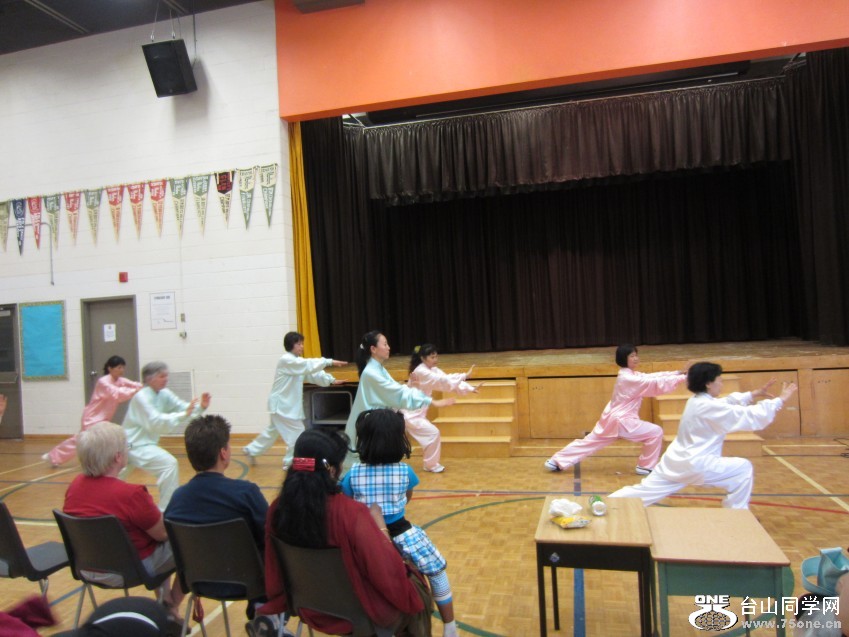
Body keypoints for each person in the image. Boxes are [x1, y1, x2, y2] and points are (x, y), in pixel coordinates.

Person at [259, 428, 433, 636]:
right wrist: (382, 530)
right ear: (332, 470)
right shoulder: (351, 514)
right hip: (359, 615)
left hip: (308, 607)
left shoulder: (277, 509)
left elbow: (274, 568)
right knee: (416, 592)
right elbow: (386, 574)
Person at [609, 362, 798, 509]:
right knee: (743, 469)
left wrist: (752, 394)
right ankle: (737, 514)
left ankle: (604, 503)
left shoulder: (696, 401)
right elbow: (751, 416)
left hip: (674, 462)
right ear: (708, 383)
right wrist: (780, 400)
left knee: (643, 492)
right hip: (697, 465)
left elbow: (725, 403)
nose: (721, 384)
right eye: (719, 380)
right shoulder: (708, 406)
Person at [165, 414, 288, 636]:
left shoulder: (177, 499)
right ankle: (265, 615)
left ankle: (265, 617)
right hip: (250, 582)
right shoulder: (246, 493)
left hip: (199, 581)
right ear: (223, 452)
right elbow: (272, 535)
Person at [342, 408, 458, 637]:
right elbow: (407, 497)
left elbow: (348, 502)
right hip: (403, 534)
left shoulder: (353, 473)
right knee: (436, 571)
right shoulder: (405, 471)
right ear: (398, 440)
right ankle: (450, 626)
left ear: (364, 440)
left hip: (366, 538)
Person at [63, 422, 183, 622]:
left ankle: (166, 603)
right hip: (128, 570)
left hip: (86, 567)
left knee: (152, 541)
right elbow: (163, 534)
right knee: (184, 542)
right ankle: (171, 607)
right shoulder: (131, 494)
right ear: (118, 457)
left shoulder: (74, 487)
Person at [545, 344, 688, 475]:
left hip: (611, 419)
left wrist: (677, 373)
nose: (636, 358)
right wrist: (683, 377)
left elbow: (652, 376)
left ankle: (555, 461)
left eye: (636, 355)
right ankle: (645, 466)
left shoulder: (629, 374)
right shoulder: (629, 378)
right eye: (632, 356)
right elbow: (653, 382)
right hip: (623, 420)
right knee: (655, 432)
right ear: (624, 358)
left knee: (589, 442)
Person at [345, 330, 454, 468]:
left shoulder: (377, 368)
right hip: (371, 426)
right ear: (373, 349)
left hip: (377, 423)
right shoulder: (371, 372)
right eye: (385, 344)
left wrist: (412, 388)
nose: (388, 347)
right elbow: (396, 393)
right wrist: (431, 401)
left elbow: (395, 390)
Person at [243, 331, 346, 470]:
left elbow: (311, 374)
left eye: (302, 343)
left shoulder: (296, 363)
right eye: (299, 344)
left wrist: (331, 380)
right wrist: (328, 361)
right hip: (281, 406)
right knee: (297, 433)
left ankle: (251, 450)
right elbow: (307, 365)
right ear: (291, 345)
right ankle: (290, 463)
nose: (302, 346)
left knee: (272, 432)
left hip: (281, 406)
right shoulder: (286, 360)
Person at [121, 361, 211, 511]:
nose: (166, 379)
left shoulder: (164, 394)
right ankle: (167, 511)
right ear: (150, 379)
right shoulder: (141, 397)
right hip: (132, 445)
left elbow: (184, 407)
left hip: (140, 445)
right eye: (162, 376)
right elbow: (156, 422)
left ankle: (165, 510)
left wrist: (200, 407)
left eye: (166, 376)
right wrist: (183, 414)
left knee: (114, 477)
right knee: (168, 464)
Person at [43, 355, 142, 468]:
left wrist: (142, 386)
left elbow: (134, 384)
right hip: (92, 417)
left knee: (104, 438)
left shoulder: (119, 380)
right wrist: (135, 390)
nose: (122, 370)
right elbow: (117, 394)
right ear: (110, 368)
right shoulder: (103, 382)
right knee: (81, 440)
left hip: (103, 418)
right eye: (119, 367)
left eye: (123, 367)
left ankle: (111, 459)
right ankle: (54, 456)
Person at [402, 344, 477, 473]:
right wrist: (464, 375)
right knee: (433, 433)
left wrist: (470, 388)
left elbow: (447, 381)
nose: (435, 360)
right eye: (432, 357)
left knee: (431, 434)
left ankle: (430, 464)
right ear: (423, 358)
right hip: (410, 414)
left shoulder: (432, 369)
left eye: (436, 356)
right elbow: (442, 380)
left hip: (416, 413)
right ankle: (430, 465)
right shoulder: (421, 371)